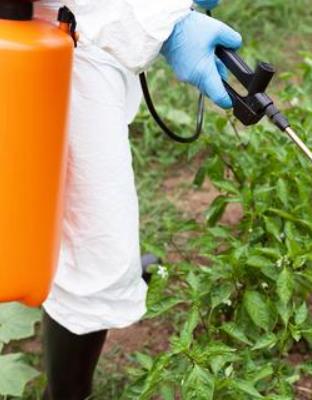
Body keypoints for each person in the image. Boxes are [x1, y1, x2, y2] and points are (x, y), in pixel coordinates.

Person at [33, 1, 242, 398]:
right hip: (45, 31)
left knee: (88, 215)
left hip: (71, 28)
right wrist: (163, 20)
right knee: (98, 244)